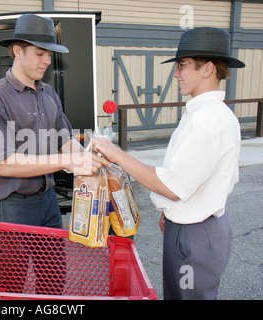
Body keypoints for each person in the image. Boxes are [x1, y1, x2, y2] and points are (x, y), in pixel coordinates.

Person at [91, 27, 245, 300]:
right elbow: (189, 179)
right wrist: (173, 209)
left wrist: (116, 155)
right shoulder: (207, 113)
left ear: (207, 68)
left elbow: (172, 186)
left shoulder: (207, 120)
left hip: (196, 235)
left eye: (182, 65)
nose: (176, 73)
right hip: (191, 228)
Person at [0, 13, 109, 228]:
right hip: (11, 203)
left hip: (47, 197)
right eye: (40, 53)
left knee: (54, 262)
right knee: (14, 264)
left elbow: (64, 139)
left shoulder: (49, 92)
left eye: (48, 54)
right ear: (18, 51)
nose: (47, 60)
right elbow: (4, 165)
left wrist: (89, 159)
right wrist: (68, 162)